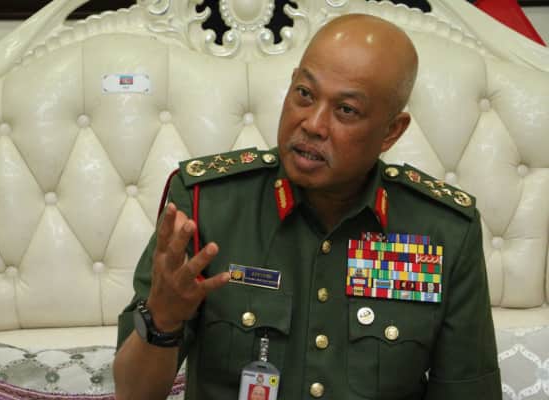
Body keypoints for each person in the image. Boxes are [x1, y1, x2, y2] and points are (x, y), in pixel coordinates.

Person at [113, 13, 501, 400]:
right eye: (304, 94)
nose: (313, 124)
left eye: (346, 110)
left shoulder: (444, 232)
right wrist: (162, 321)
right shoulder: (206, 206)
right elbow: (133, 393)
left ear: (391, 131)